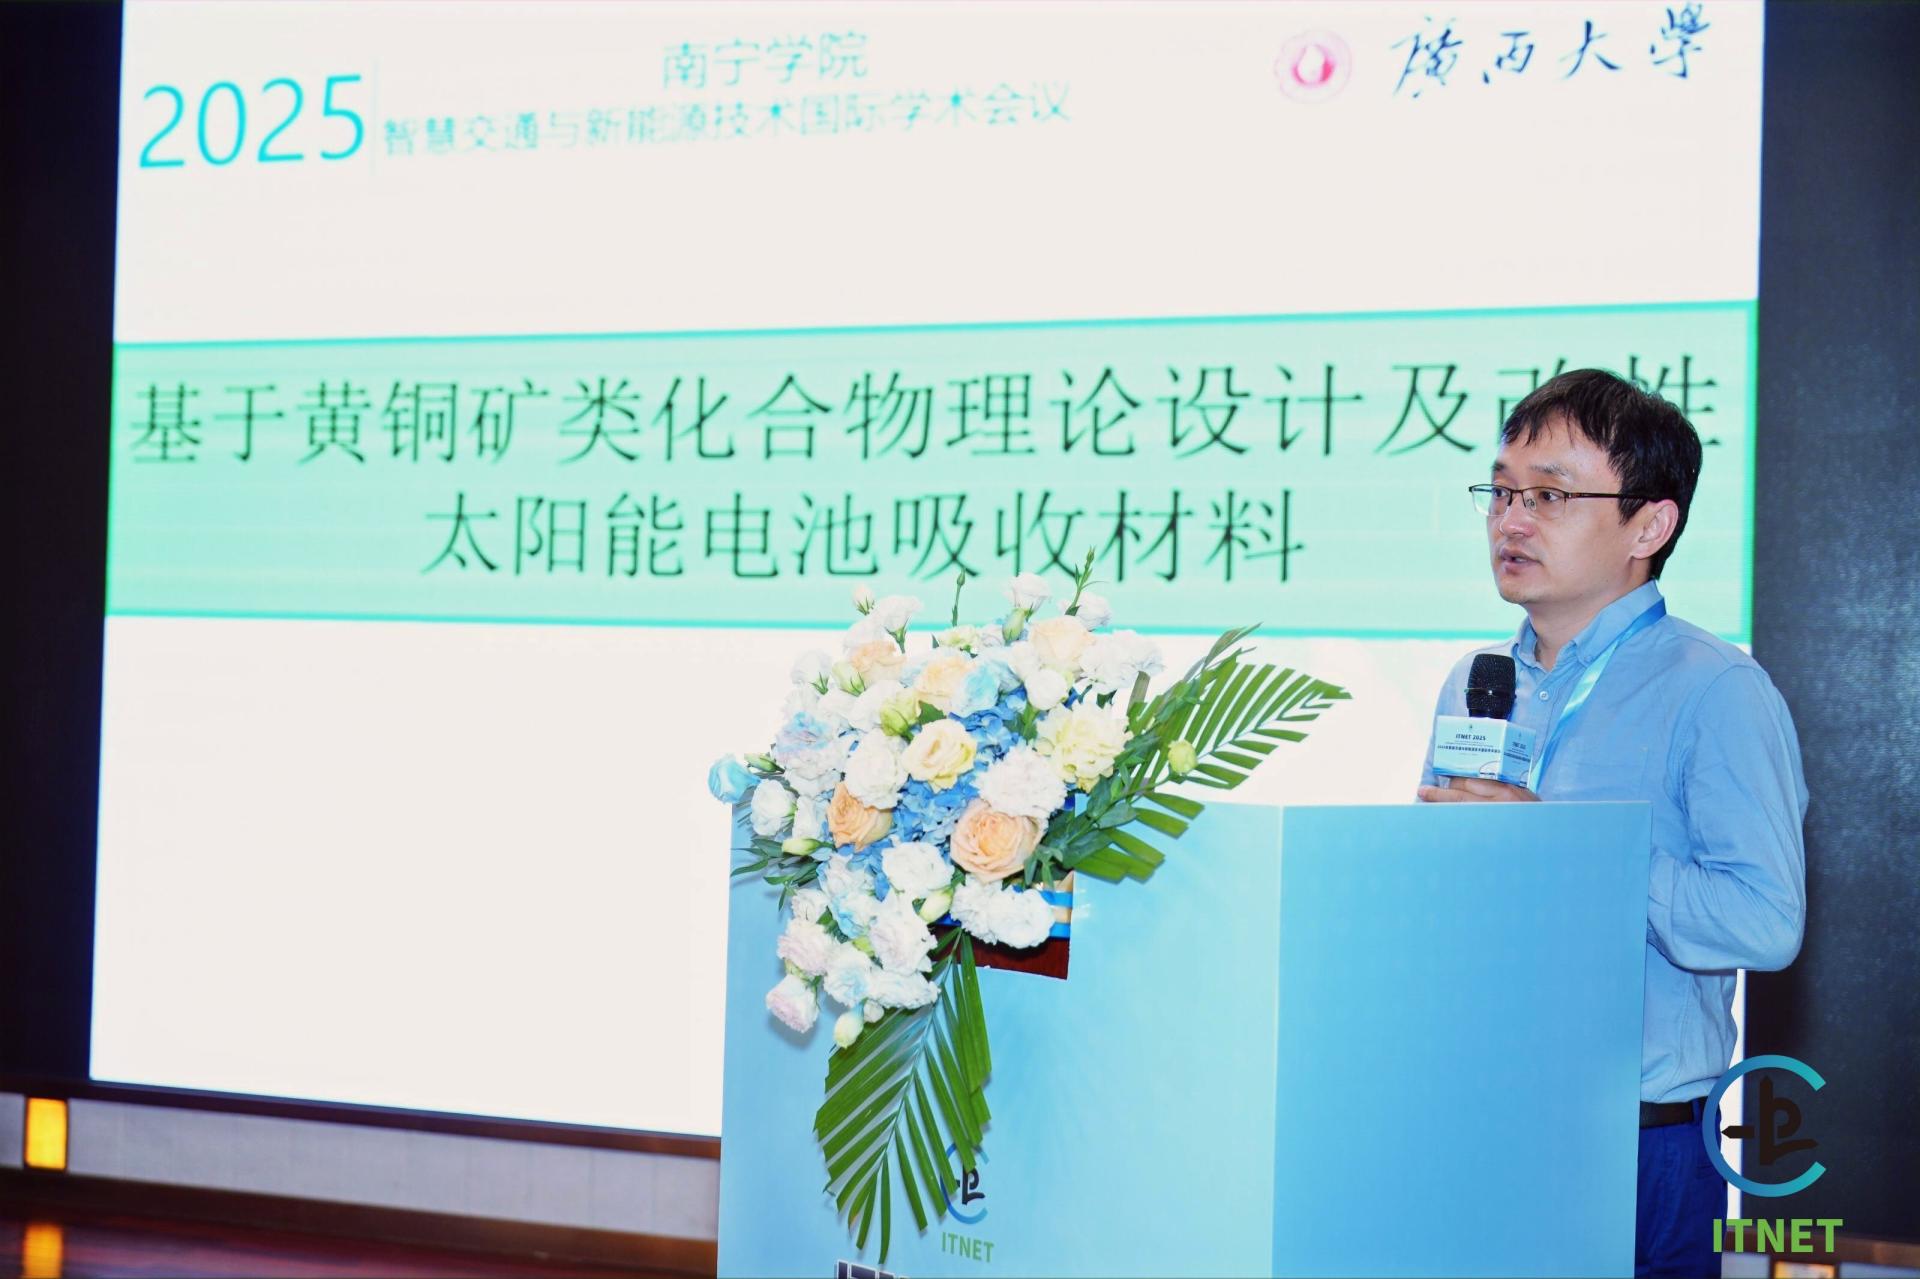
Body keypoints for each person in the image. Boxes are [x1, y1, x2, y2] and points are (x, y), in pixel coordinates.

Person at [1415, 368, 1808, 1278]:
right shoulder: (1477, 682)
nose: (1511, 521)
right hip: (1478, 1122)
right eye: (1501, 492)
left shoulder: (1716, 690)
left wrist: (1572, 854)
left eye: (1549, 495)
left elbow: (1765, 922)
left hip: (1640, 1146)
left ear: (1649, 526)